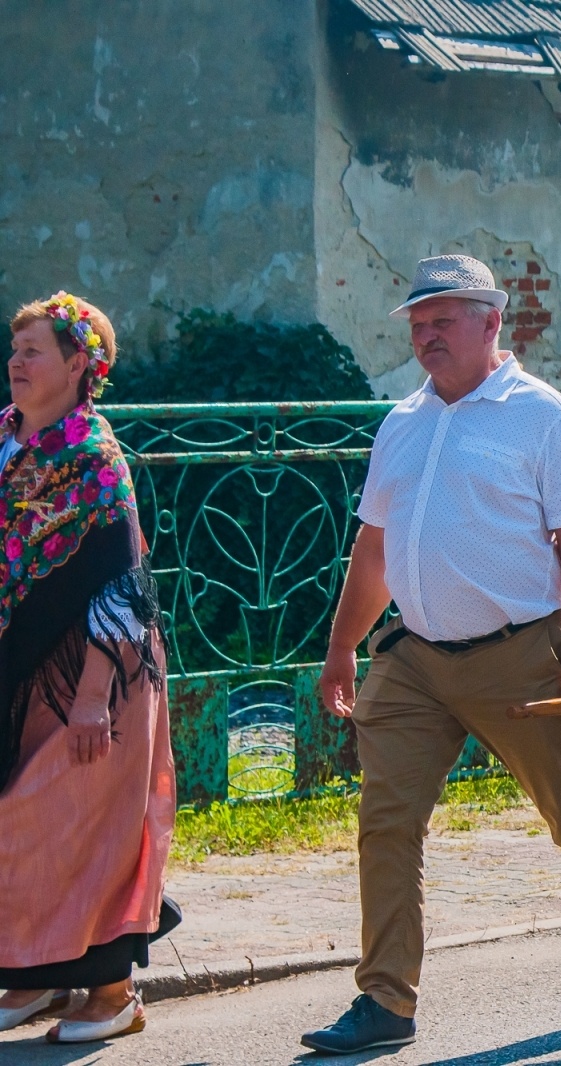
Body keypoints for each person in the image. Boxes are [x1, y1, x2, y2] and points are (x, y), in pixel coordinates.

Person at [302, 255, 561, 1055]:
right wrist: (341, 651)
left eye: (444, 319)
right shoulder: (402, 421)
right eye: (418, 323)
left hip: (518, 653)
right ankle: (385, 1001)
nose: (427, 335)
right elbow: (372, 553)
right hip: (411, 660)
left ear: (491, 322)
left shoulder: (541, 417)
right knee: (386, 822)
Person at [0, 293, 177, 1043]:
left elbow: (122, 582)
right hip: (23, 661)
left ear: (78, 366)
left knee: (78, 824)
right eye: (14, 349)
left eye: (33, 350)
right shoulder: (7, 446)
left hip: (95, 672)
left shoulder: (96, 461)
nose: (16, 362)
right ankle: (37, 975)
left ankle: (111, 991)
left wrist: (93, 699)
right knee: (25, 824)